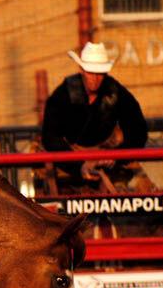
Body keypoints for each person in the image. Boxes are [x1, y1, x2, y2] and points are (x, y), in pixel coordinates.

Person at [41, 42, 149, 192]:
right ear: (82, 70)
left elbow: (138, 129)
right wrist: (79, 165)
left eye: (100, 74)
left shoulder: (116, 92)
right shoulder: (63, 94)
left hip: (109, 160)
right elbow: (50, 136)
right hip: (68, 160)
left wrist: (117, 155)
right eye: (91, 72)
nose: (95, 78)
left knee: (145, 192)